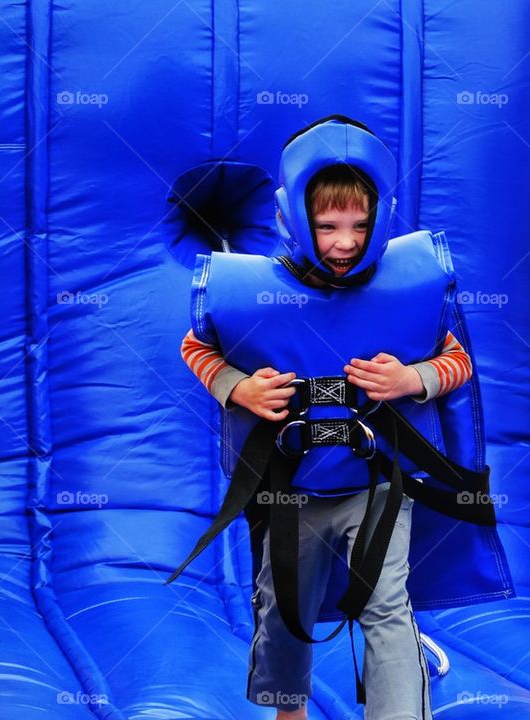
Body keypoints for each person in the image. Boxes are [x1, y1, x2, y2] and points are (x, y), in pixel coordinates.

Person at [177, 115, 481, 720]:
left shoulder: (411, 287)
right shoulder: (250, 291)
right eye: (328, 226)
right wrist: (241, 388)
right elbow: (195, 347)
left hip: (377, 486)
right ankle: (289, 710)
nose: (344, 242)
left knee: (387, 605)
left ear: (381, 220)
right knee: (285, 603)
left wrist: (410, 379)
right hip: (294, 488)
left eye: (358, 226)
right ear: (294, 219)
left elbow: (459, 361)